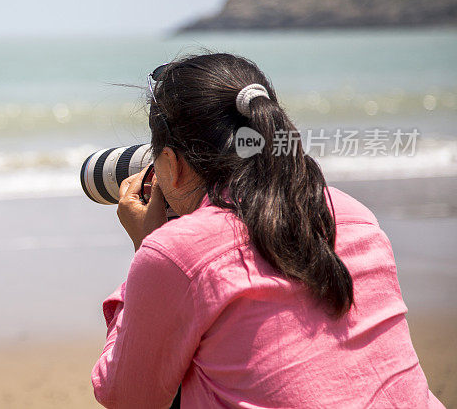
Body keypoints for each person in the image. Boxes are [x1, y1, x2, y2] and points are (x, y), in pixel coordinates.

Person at [91, 53, 444, 408]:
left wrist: (149, 246)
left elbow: (126, 396)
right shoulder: (354, 215)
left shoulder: (177, 253)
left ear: (171, 164)